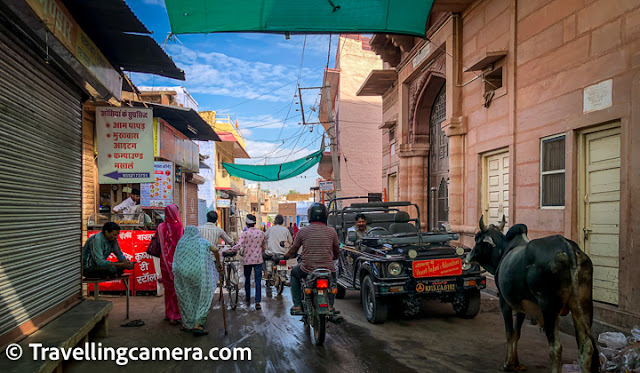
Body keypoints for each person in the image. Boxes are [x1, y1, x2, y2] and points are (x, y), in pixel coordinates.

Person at [284, 203, 340, 314]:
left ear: (310, 216)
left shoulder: (303, 231)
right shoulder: (332, 231)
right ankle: (330, 306)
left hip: (307, 269)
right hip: (328, 269)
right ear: (325, 215)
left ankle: (298, 305)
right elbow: (336, 250)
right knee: (332, 282)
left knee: (294, 274)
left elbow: (294, 249)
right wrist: (334, 257)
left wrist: (286, 256)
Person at [172, 226, 223, 336]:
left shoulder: (181, 243)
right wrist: (218, 264)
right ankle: (198, 324)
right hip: (199, 273)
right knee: (203, 296)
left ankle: (187, 324)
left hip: (182, 273)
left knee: (186, 297)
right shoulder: (202, 242)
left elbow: (176, 258)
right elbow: (215, 250)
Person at [157, 204, 184, 325]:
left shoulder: (160, 227)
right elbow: (182, 244)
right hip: (176, 261)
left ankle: (168, 313)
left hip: (164, 262)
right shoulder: (178, 226)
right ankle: (175, 314)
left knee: (168, 289)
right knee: (176, 288)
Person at [232, 214, 266, 310]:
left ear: (246, 223)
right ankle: (258, 301)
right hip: (258, 260)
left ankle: (247, 298)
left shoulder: (245, 234)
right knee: (258, 280)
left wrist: (232, 249)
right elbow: (264, 247)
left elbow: (239, 245)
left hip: (247, 260)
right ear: (254, 223)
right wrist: (260, 251)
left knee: (247, 279)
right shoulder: (261, 233)